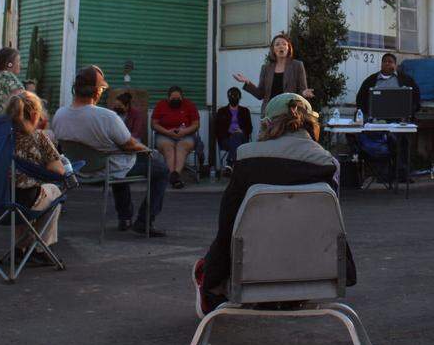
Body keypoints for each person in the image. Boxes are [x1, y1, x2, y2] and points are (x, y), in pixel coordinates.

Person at [192, 92, 354, 316]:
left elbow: (227, 227)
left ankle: (208, 283)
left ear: (267, 124)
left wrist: (213, 276)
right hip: (313, 272)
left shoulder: (246, 158)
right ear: (310, 124)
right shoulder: (329, 164)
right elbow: (328, 227)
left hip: (251, 271)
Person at [52, 67, 168, 236]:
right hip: (106, 169)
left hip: (78, 171)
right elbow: (129, 145)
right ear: (97, 92)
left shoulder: (60, 114)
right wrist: (147, 150)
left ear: (75, 89)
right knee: (160, 169)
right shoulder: (107, 116)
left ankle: (125, 218)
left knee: (119, 163)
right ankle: (144, 221)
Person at [7, 92, 66, 265]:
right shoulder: (39, 137)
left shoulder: (0, 137)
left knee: (21, 192)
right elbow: (58, 170)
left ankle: (20, 249)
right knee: (54, 191)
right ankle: (40, 248)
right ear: (34, 115)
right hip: (24, 201)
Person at [233, 33, 314, 115]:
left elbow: (302, 91)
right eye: (277, 44)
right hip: (270, 113)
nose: (281, 46)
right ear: (273, 49)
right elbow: (260, 94)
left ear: (288, 48)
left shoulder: (297, 65)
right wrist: (247, 82)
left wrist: (304, 93)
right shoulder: (266, 68)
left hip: (290, 113)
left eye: (284, 44)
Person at [151, 85, 199, 189]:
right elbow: (154, 124)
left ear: (182, 97)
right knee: (168, 148)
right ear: (168, 98)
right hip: (165, 134)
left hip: (185, 135)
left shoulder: (189, 105)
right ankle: (175, 177)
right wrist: (168, 132)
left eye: (178, 99)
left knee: (181, 147)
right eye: (173, 99)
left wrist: (184, 131)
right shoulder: (161, 105)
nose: (176, 100)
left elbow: (196, 124)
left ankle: (174, 175)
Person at [354, 52, 421, 117]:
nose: (387, 63)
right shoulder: (370, 80)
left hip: (399, 118)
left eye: (390, 61)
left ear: (395, 65)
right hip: (376, 117)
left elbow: (416, 96)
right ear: (381, 64)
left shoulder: (406, 79)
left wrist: (410, 112)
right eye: (384, 61)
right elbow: (360, 98)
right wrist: (366, 113)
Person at [215, 87, 253, 173]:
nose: (233, 98)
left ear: (239, 98)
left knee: (238, 135)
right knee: (236, 138)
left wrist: (242, 131)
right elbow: (217, 129)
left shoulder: (245, 111)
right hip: (226, 140)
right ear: (228, 97)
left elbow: (250, 128)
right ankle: (234, 166)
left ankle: (230, 164)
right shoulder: (221, 111)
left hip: (242, 138)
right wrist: (229, 131)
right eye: (231, 96)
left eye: (236, 96)